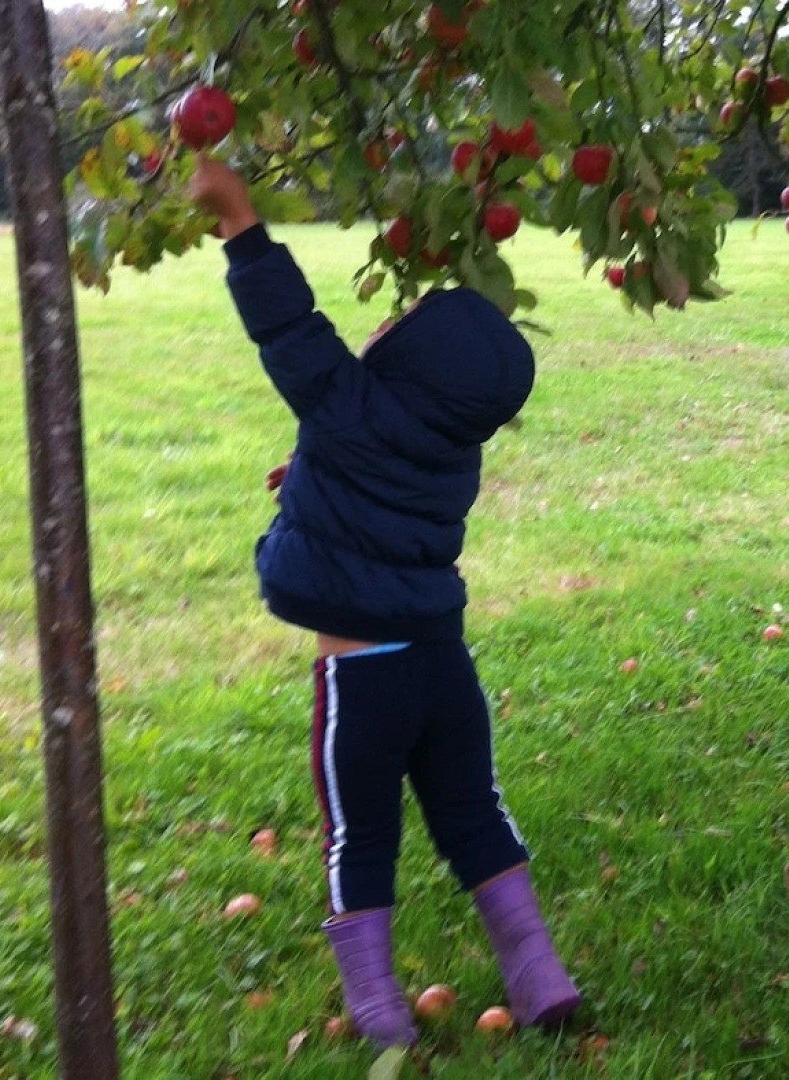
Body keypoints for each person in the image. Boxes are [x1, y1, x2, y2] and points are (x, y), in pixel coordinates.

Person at [189, 157, 580, 1047]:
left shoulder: (348, 407)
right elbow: (382, 483)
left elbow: (287, 326)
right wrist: (314, 471)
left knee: (358, 840)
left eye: (402, 325)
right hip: (445, 671)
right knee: (474, 816)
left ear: (410, 363)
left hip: (362, 684)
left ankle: (376, 1009)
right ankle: (539, 975)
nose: (387, 323)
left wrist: (238, 217)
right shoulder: (453, 453)